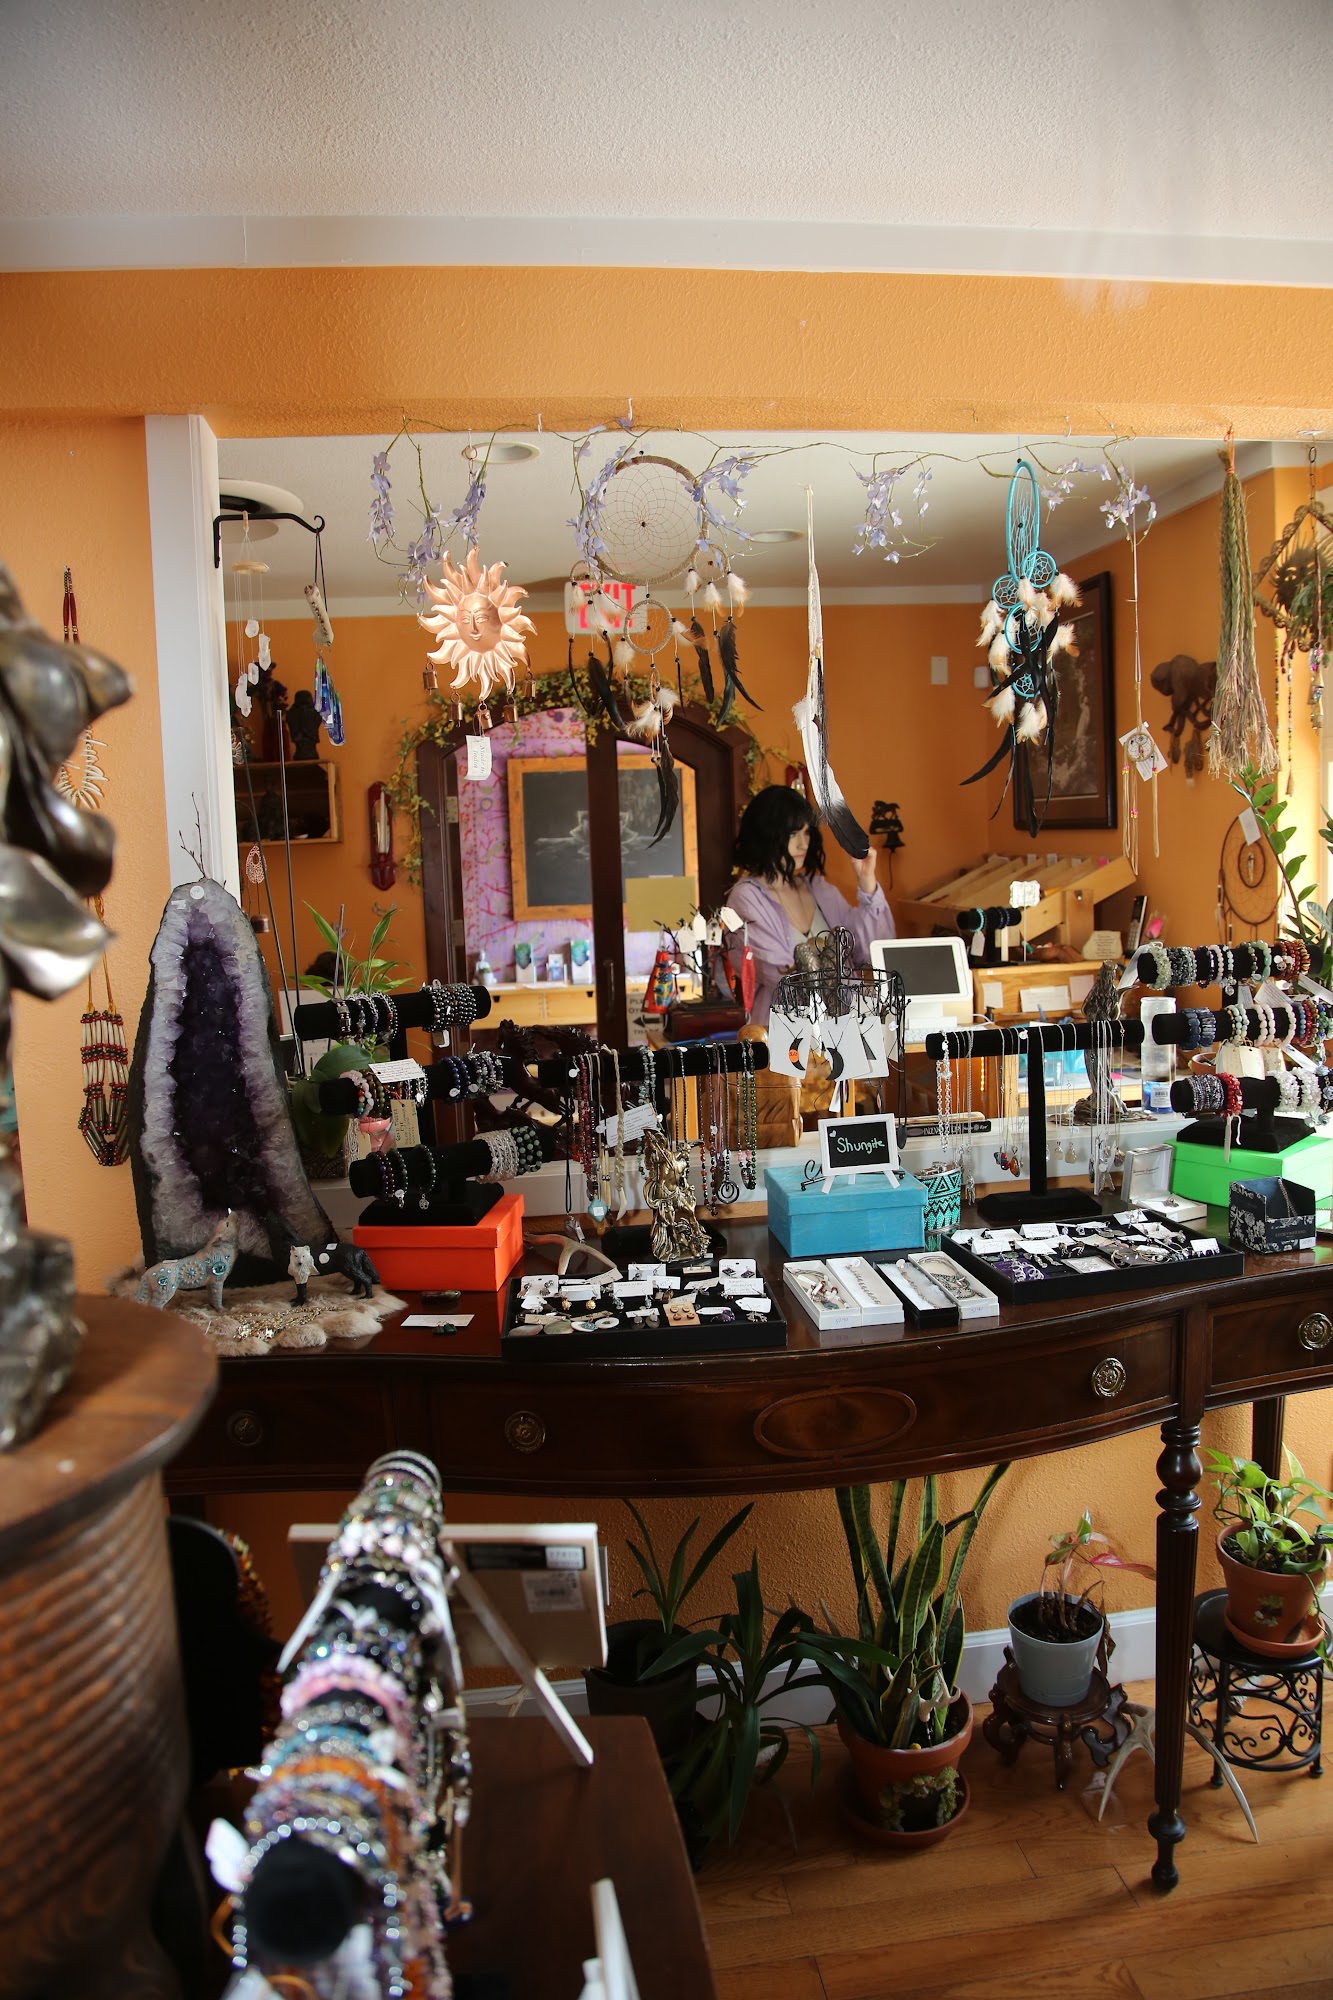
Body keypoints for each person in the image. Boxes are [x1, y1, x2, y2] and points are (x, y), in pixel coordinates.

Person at [725, 785, 894, 1026]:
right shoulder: (746, 898)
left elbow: (873, 954)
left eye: (806, 833)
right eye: (792, 834)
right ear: (766, 835)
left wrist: (867, 883)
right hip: (786, 1033)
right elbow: (780, 977)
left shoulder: (820, 889)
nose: (803, 844)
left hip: (845, 1031)